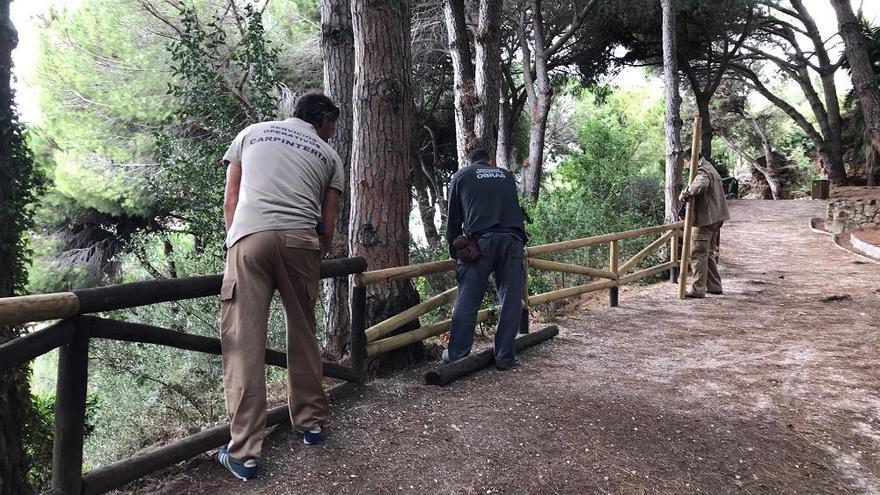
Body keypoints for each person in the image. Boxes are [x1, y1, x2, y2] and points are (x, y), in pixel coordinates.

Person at [213, 93, 344, 480]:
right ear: (321, 121)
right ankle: (311, 424)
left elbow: (231, 198)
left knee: (243, 342)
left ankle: (245, 454)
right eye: (331, 127)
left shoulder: (251, 134)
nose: (331, 135)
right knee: (302, 334)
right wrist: (311, 253)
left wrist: (237, 242)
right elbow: (329, 225)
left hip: (249, 238)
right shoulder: (329, 157)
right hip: (301, 242)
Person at [445, 147, 527, 370]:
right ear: (489, 161)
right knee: (511, 300)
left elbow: (453, 220)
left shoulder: (461, 176)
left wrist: (454, 251)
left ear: (470, 162)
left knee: (468, 299)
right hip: (513, 240)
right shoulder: (507, 176)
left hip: (481, 243)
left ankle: (458, 356)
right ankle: (504, 357)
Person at [679, 149, 730, 299]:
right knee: (707, 253)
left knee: (697, 253)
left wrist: (685, 192)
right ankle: (714, 286)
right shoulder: (709, 167)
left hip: (706, 219)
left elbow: (700, 184)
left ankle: (697, 289)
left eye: (685, 162)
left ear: (690, 160)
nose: (685, 166)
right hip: (716, 218)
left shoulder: (703, 170)